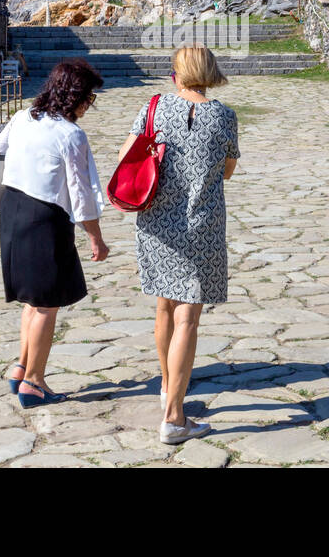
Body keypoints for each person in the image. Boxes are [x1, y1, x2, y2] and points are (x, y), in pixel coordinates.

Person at [117, 45, 239, 445]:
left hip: (156, 223)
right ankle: (173, 417)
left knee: (163, 308)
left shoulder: (153, 107)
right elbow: (228, 171)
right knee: (188, 317)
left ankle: (169, 388)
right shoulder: (224, 116)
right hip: (201, 225)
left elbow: (126, 157)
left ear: (177, 73)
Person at [0, 59, 109, 407]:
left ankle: (21, 366)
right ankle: (34, 381)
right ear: (75, 95)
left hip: (13, 209)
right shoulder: (70, 135)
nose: (90, 103)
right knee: (47, 304)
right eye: (89, 96)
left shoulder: (22, 118)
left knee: (33, 300)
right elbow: (81, 192)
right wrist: (95, 238)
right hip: (45, 217)